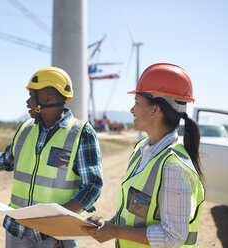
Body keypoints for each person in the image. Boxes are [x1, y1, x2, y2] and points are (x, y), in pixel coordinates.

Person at [0, 66, 103, 248]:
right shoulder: (26, 129)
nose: (27, 101)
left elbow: (93, 186)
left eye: (32, 95)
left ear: (47, 98)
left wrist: (59, 216)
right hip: (18, 231)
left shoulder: (81, 133)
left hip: (55, 237)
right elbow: (5, 160)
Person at [81, 63, 205, 247]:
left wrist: (115, 232)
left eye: (137, 103)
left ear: (155, 110)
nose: (132, 110)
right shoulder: (141, 149)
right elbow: (134, 209)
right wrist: (110, 224)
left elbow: (173, 237)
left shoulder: (174, 166)